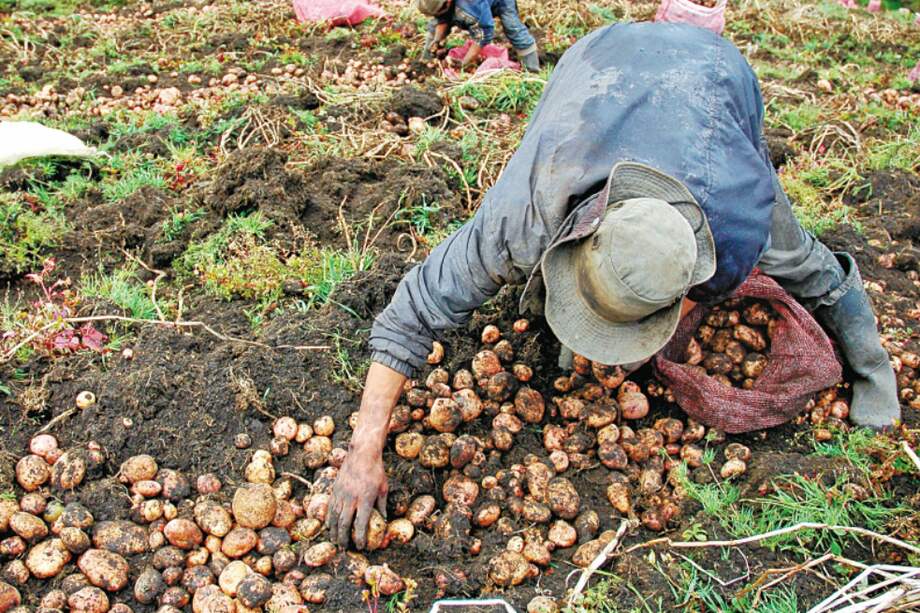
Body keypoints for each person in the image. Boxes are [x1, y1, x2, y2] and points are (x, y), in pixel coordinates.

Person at [326, 21, 900, 549]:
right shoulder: (523, 212)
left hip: (716, 80)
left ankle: (876, 367)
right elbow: (413, 310)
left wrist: (866, 369)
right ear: (572, 239)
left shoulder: (741, 227)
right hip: (601, 64)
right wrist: (363, 448)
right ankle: (582, 320)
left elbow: (809, 272)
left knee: (806, 264)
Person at [418, 0, 540, 72]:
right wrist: (437, 40)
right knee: (434, 26)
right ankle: (426, 62)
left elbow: (483, 35)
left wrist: (464, 63)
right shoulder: (442, 5)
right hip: (454, 7)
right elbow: (441, 19)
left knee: (513, 29)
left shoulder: (471, 8)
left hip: (501, 2)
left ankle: (532, 69)